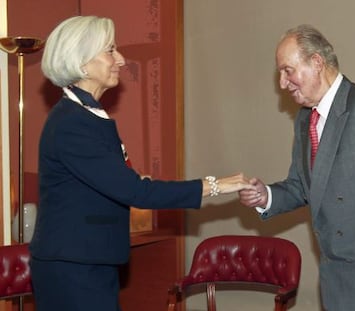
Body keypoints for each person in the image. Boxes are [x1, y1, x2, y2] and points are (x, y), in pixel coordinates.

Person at [29, 15, 252, 311]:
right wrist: (214, 185)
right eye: (110, 50)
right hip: (73, 268)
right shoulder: (73, 124)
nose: (120, 59)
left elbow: (115, 182)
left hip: (90, 259)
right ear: (82, 62)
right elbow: (136, 192)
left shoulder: (86, 115)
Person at [239, 24, 355, 311]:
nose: (283, 83)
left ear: (316, 62)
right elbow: (303, 186)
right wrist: (265, 196)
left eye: (287, 70)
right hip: (335, 280)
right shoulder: (305, 120)